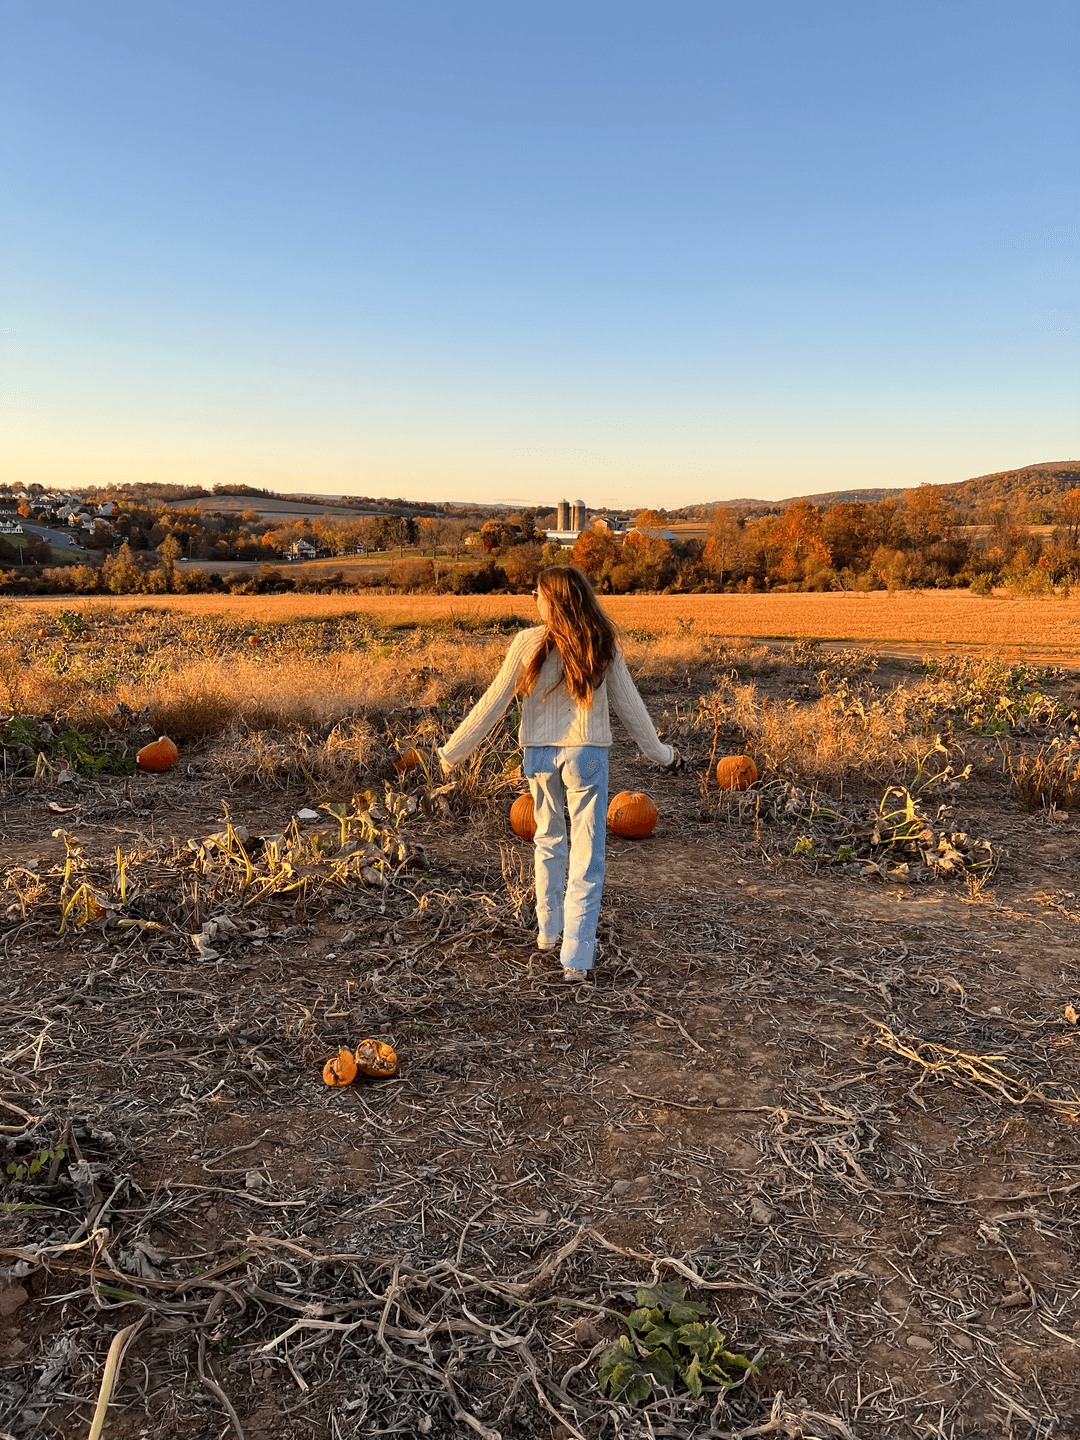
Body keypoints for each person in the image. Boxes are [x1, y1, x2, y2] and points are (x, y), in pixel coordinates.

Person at [436, 566, 678, 981]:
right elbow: (630, 705)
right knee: (587, 854)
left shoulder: (526, 643)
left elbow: (493, 701)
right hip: (585, 754)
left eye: (537, 593)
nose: (534, 600)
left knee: (548, 840)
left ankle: (548, 932)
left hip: (539, 755)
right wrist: (661, 753)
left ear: (551, 600)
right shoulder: (599, 641)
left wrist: (453, 751)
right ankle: (577, 958)